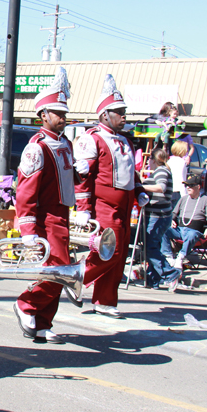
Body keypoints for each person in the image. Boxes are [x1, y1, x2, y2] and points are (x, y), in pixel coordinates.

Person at [74, 74, 147, 318]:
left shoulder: (126, 141)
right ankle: (76, 277)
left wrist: (139, 191)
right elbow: (83, 177)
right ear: (105, 114)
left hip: (126, 206)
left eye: (124, 111)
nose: (124, 116)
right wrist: (83, 208)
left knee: (119, 254)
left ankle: (105, 301)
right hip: (104, 207)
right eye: (119, 111)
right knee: (109, 251)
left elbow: (131, 173)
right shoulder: (92, 138)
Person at [12, 69, 75, 344]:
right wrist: (27, 229)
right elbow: (26, 191)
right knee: (59, 269)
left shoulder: (67, 144)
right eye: (57, 113)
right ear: (43, 115)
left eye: (64, 112)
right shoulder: (35, 147)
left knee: (58, 271)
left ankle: (42, 322)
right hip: (45, 218)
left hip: (62, 216)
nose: (62, 117)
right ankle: (26, 304)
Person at [163, 174, 207, 276]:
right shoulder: (184, 198)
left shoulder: (206, 200)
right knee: (163, 229)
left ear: (198, 187)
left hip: (194, 231)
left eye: (191, 185)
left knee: (191, 235)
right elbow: (174, 213)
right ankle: (169, 257)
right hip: (180, 230)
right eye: (186, 185)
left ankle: (181, 257)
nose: (188, 187)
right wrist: (172, 220)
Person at [141, 148, 179, 291]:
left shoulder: (162, 171)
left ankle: (171, 274)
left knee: (150, 248)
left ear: (153, 160)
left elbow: (161, 187)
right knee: (153, 247)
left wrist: (142, 186)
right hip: (158, 215)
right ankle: (153, 279)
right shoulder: (160, 171)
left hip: (158, 216)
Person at [166, 141, 188, 209]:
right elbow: (181, 178)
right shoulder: (182, 162)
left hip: (170, 190)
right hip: (178, 191)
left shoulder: (169, 161)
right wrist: (185, 194)